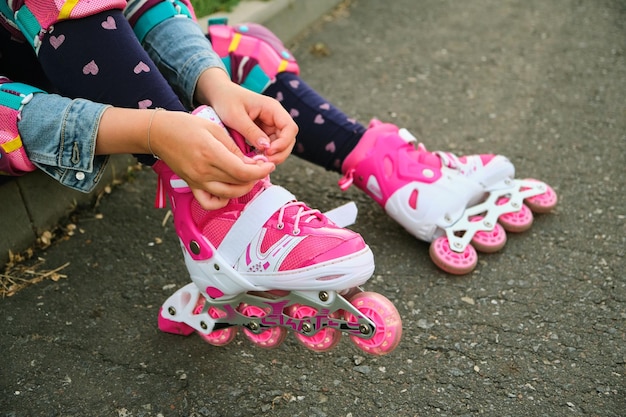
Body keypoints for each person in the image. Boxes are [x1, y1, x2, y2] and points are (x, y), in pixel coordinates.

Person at [0, 0, 556, 277]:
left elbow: (145, 5)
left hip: (87, 63)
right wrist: (153, 130)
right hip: (21, 108)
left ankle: (389, 170)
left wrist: (215, 87)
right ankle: (222, 212)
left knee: (240, 47)